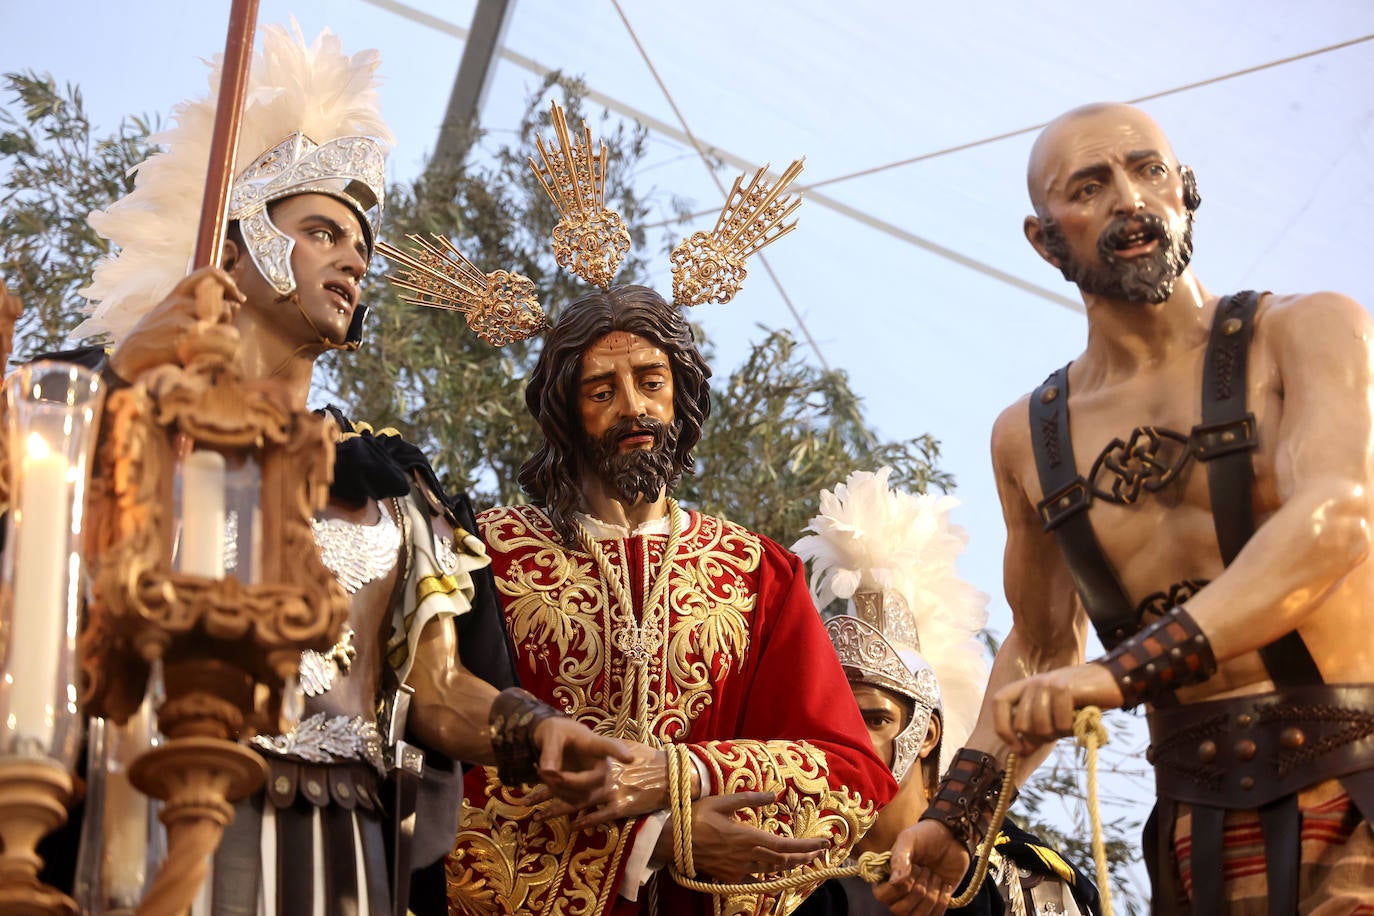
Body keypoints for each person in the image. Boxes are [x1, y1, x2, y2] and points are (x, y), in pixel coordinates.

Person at [66, 24, 627, 915]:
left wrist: (537, 729)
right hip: (156, 809)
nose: (355, 257)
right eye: (321, 230)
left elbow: (436, 689)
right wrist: (139, 379)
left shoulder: (394, 487)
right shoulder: (125, 420)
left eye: (359, 244)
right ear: (242, 243)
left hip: (338, 846)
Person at [876, 101, 1374, 915]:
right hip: (1191, 831)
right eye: (1091, 185)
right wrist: (959, 816)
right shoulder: (1027, 438)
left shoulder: (1309, 331)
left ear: (1186, 190)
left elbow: (1335, 524)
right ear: (1044, 239)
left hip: (1357, 792)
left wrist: (1114, 675)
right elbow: (1038, 653)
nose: (1130, 198)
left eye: (1149, 170)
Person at [443, 284, 898, 915]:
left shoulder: (755, 572)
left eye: (651, 383)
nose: (634, 409)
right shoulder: (488, 555)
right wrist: (652, 840)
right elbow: (445, 753)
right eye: (601, 392)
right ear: (566, 413)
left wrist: (682, 775)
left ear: (679, 394)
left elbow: (849, 770)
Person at [792, 468, 1099, 916]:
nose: (852, 740)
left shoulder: (1019, 881)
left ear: (928, 733)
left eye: (875, 719)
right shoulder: (788, 881)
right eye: (835, 722)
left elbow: (1052, 642)